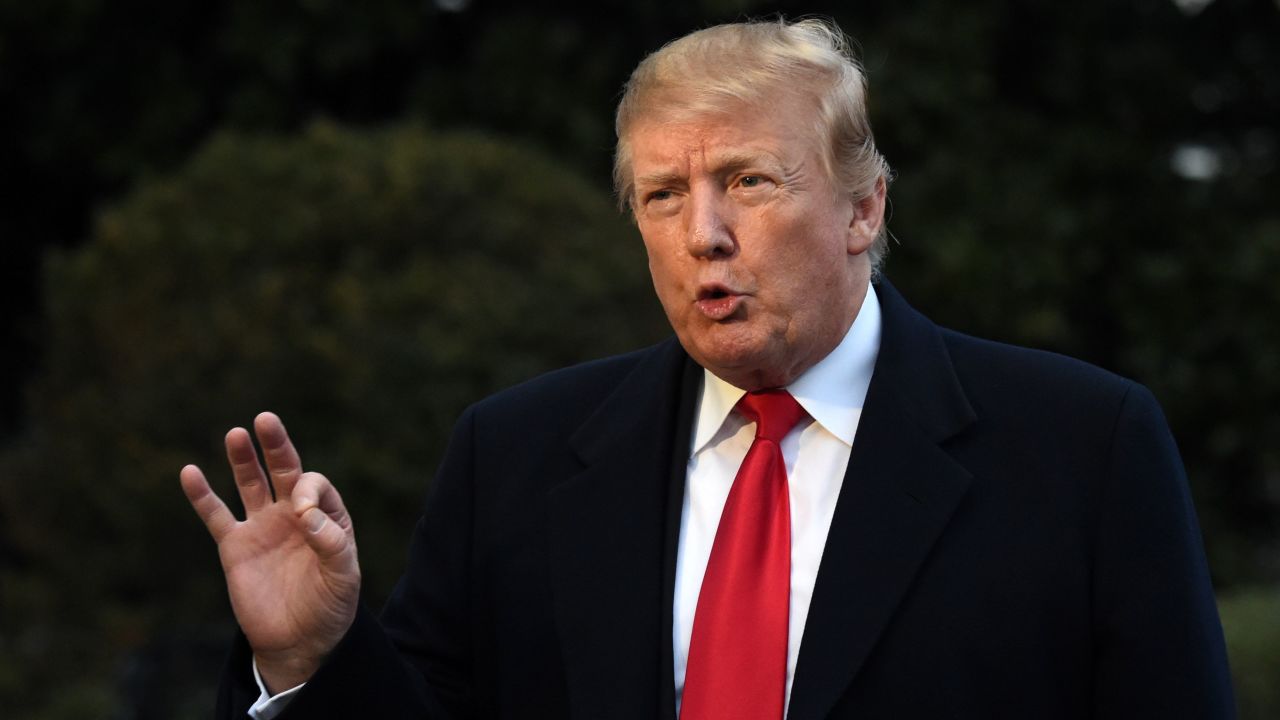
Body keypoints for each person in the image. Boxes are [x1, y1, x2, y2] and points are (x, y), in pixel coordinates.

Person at [181, 17, 1235, 720]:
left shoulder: (1080, 446)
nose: (705, 235)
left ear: (862, 207)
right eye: (662, 196)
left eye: (747, 180)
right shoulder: (515, 452)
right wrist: (310, 660)